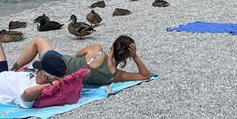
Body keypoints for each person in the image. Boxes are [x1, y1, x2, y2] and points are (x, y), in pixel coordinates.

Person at [12, 35, 151, 86]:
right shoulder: (116, 76)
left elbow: (78, 54)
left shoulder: (96, 50)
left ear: (112, 47)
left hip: (58, 62)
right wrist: (135, 56)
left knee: (38, 41)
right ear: (126, 57)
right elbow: (145, 75)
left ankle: (13, 69)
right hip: (62, 75)